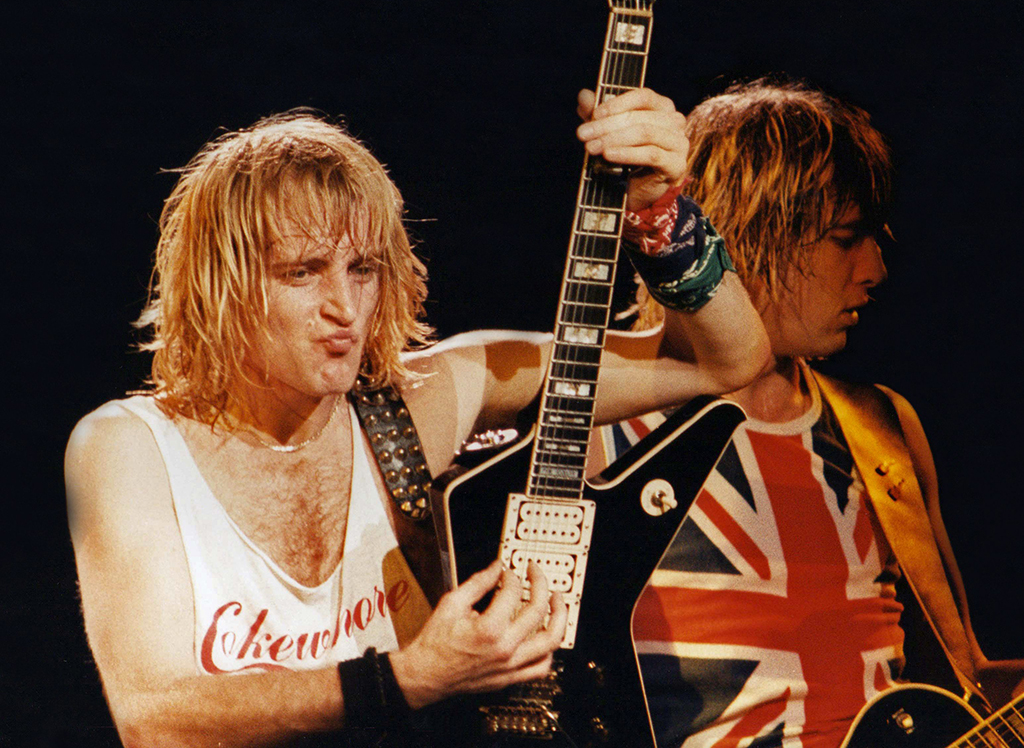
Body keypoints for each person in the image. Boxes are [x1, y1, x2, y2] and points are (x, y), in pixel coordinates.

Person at [64, 88, 770, 747]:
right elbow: (154, 717)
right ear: (221, 282)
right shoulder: (129, 447)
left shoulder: (419, 404)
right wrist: (409, 679)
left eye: (364, 270)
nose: (344, 307)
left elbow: (726, 361)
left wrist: (658, 209)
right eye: (303, 272)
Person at [588, 78, 1024, 748]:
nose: (876, 267)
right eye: (848, 237)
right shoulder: (593, 427)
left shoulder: (882, 425)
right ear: (751, 232)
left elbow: (964, 680)